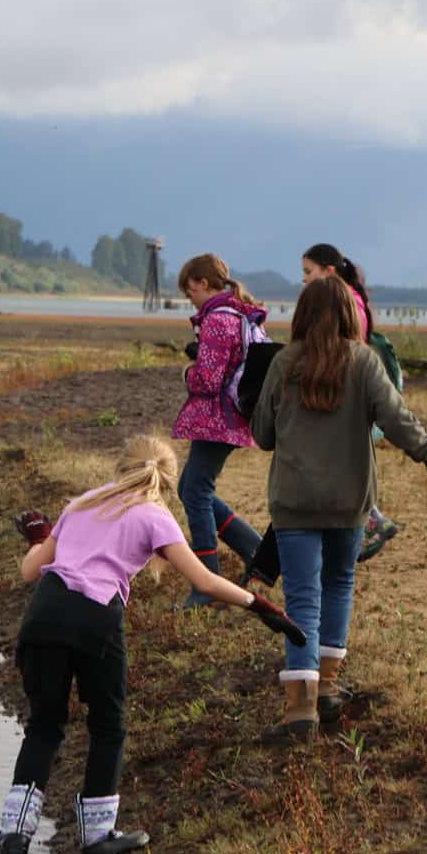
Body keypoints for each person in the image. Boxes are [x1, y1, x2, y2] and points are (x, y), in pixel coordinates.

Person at [0, 435, 306, 854]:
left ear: (121, 466)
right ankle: (98, 836)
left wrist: (42, 537)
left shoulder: (81, 502)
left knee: (44, 726)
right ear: (168, 481)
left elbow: (30, 570)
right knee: (108, 725)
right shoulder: (155, 516)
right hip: (96, 618)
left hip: (43, 614)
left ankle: (14, 836)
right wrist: (263, 607)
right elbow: (206, 582)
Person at [250, 277, 427, 739]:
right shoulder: (364, 362)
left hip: (294, 504)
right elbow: (398, 420)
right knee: (339, 584)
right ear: (350, 315)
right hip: (349, 504)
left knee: (302, 597)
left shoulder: (285, 362)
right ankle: (328, 687)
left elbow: (263, 435)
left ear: (302, 315)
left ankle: (299, 711)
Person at [172, 254, 266, 607]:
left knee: (195, 492)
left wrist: (187, 373)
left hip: (218, 419)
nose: (190, 298)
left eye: (190, 291)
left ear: (204, 284)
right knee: (191, 487)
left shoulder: (217, 319)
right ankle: (254, 550)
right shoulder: (241, 312)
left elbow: (208, 380)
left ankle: (207, 583)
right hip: (236, 416)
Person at [302, 244, 403, 563]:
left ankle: (371, 521)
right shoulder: (349, 299)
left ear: (328, 271)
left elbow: (346, 352)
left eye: (309, 272)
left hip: (343, 397)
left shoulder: (342, 302)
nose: (304, 280)